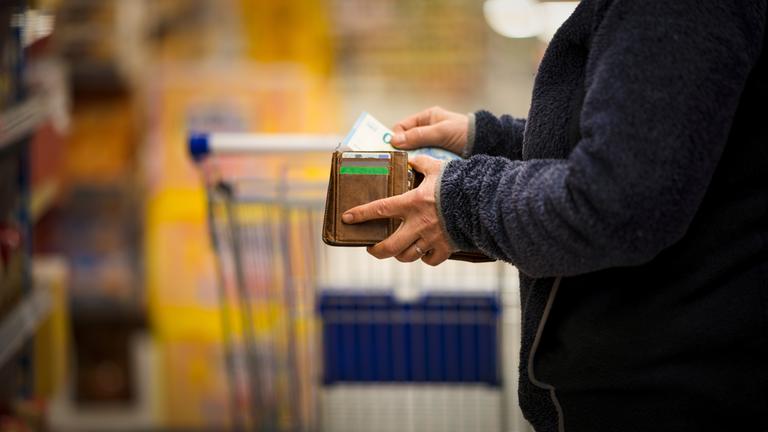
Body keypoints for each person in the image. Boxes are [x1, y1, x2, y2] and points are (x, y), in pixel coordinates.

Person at [341, 1, 768, 431]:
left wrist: (459, 201)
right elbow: (644, 136)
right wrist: (485, 139)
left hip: (666, 396)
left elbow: (616, 200)